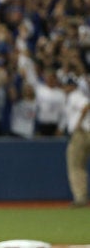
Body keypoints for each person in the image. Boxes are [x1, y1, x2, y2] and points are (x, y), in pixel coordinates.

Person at [62, 76, 90, 208]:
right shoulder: (76, 95)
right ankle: (81, 198)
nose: (65, 88)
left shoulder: (75, 95)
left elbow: (86, 106)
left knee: (76, 166)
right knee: (78, 167)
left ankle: (80, 199)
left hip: (81, 134)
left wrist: (79, 123)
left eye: (67, 85)